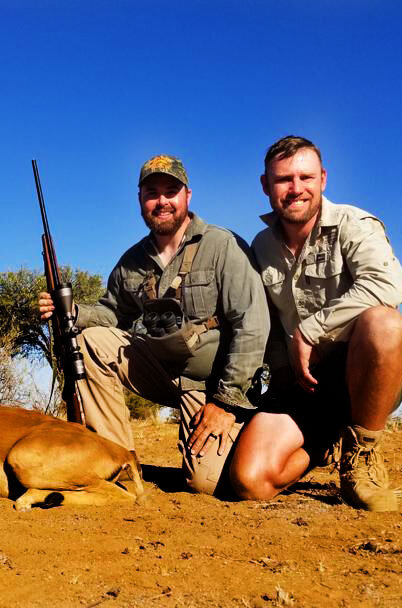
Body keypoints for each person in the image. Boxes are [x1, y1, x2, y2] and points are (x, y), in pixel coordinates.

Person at [38, 154, 269, 496]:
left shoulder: (223, 245)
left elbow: (252, 324)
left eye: (170, 191)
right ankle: (113, 466)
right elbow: (112, 314)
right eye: (151, 193)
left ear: (187, 196)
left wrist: (225, 402)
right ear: (140, 201)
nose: (161, 201)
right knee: (91, 341)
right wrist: (70, 312)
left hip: (210, 385)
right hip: (160, 370)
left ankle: (257, 427)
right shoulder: (131, 261)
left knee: (205, 483)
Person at [229, 135, 402, 511]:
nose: (296, 189)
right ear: (266, 185)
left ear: (323, 179)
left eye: (306, 177)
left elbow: (388, 285)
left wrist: (310, 330)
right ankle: (324, 441)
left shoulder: (353, 224)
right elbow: (267, 324)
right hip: (302, 387)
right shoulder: (261, 245)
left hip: (360, 380)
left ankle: (362, 455)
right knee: (250, 481)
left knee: (386, 325)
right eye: (283, 180)